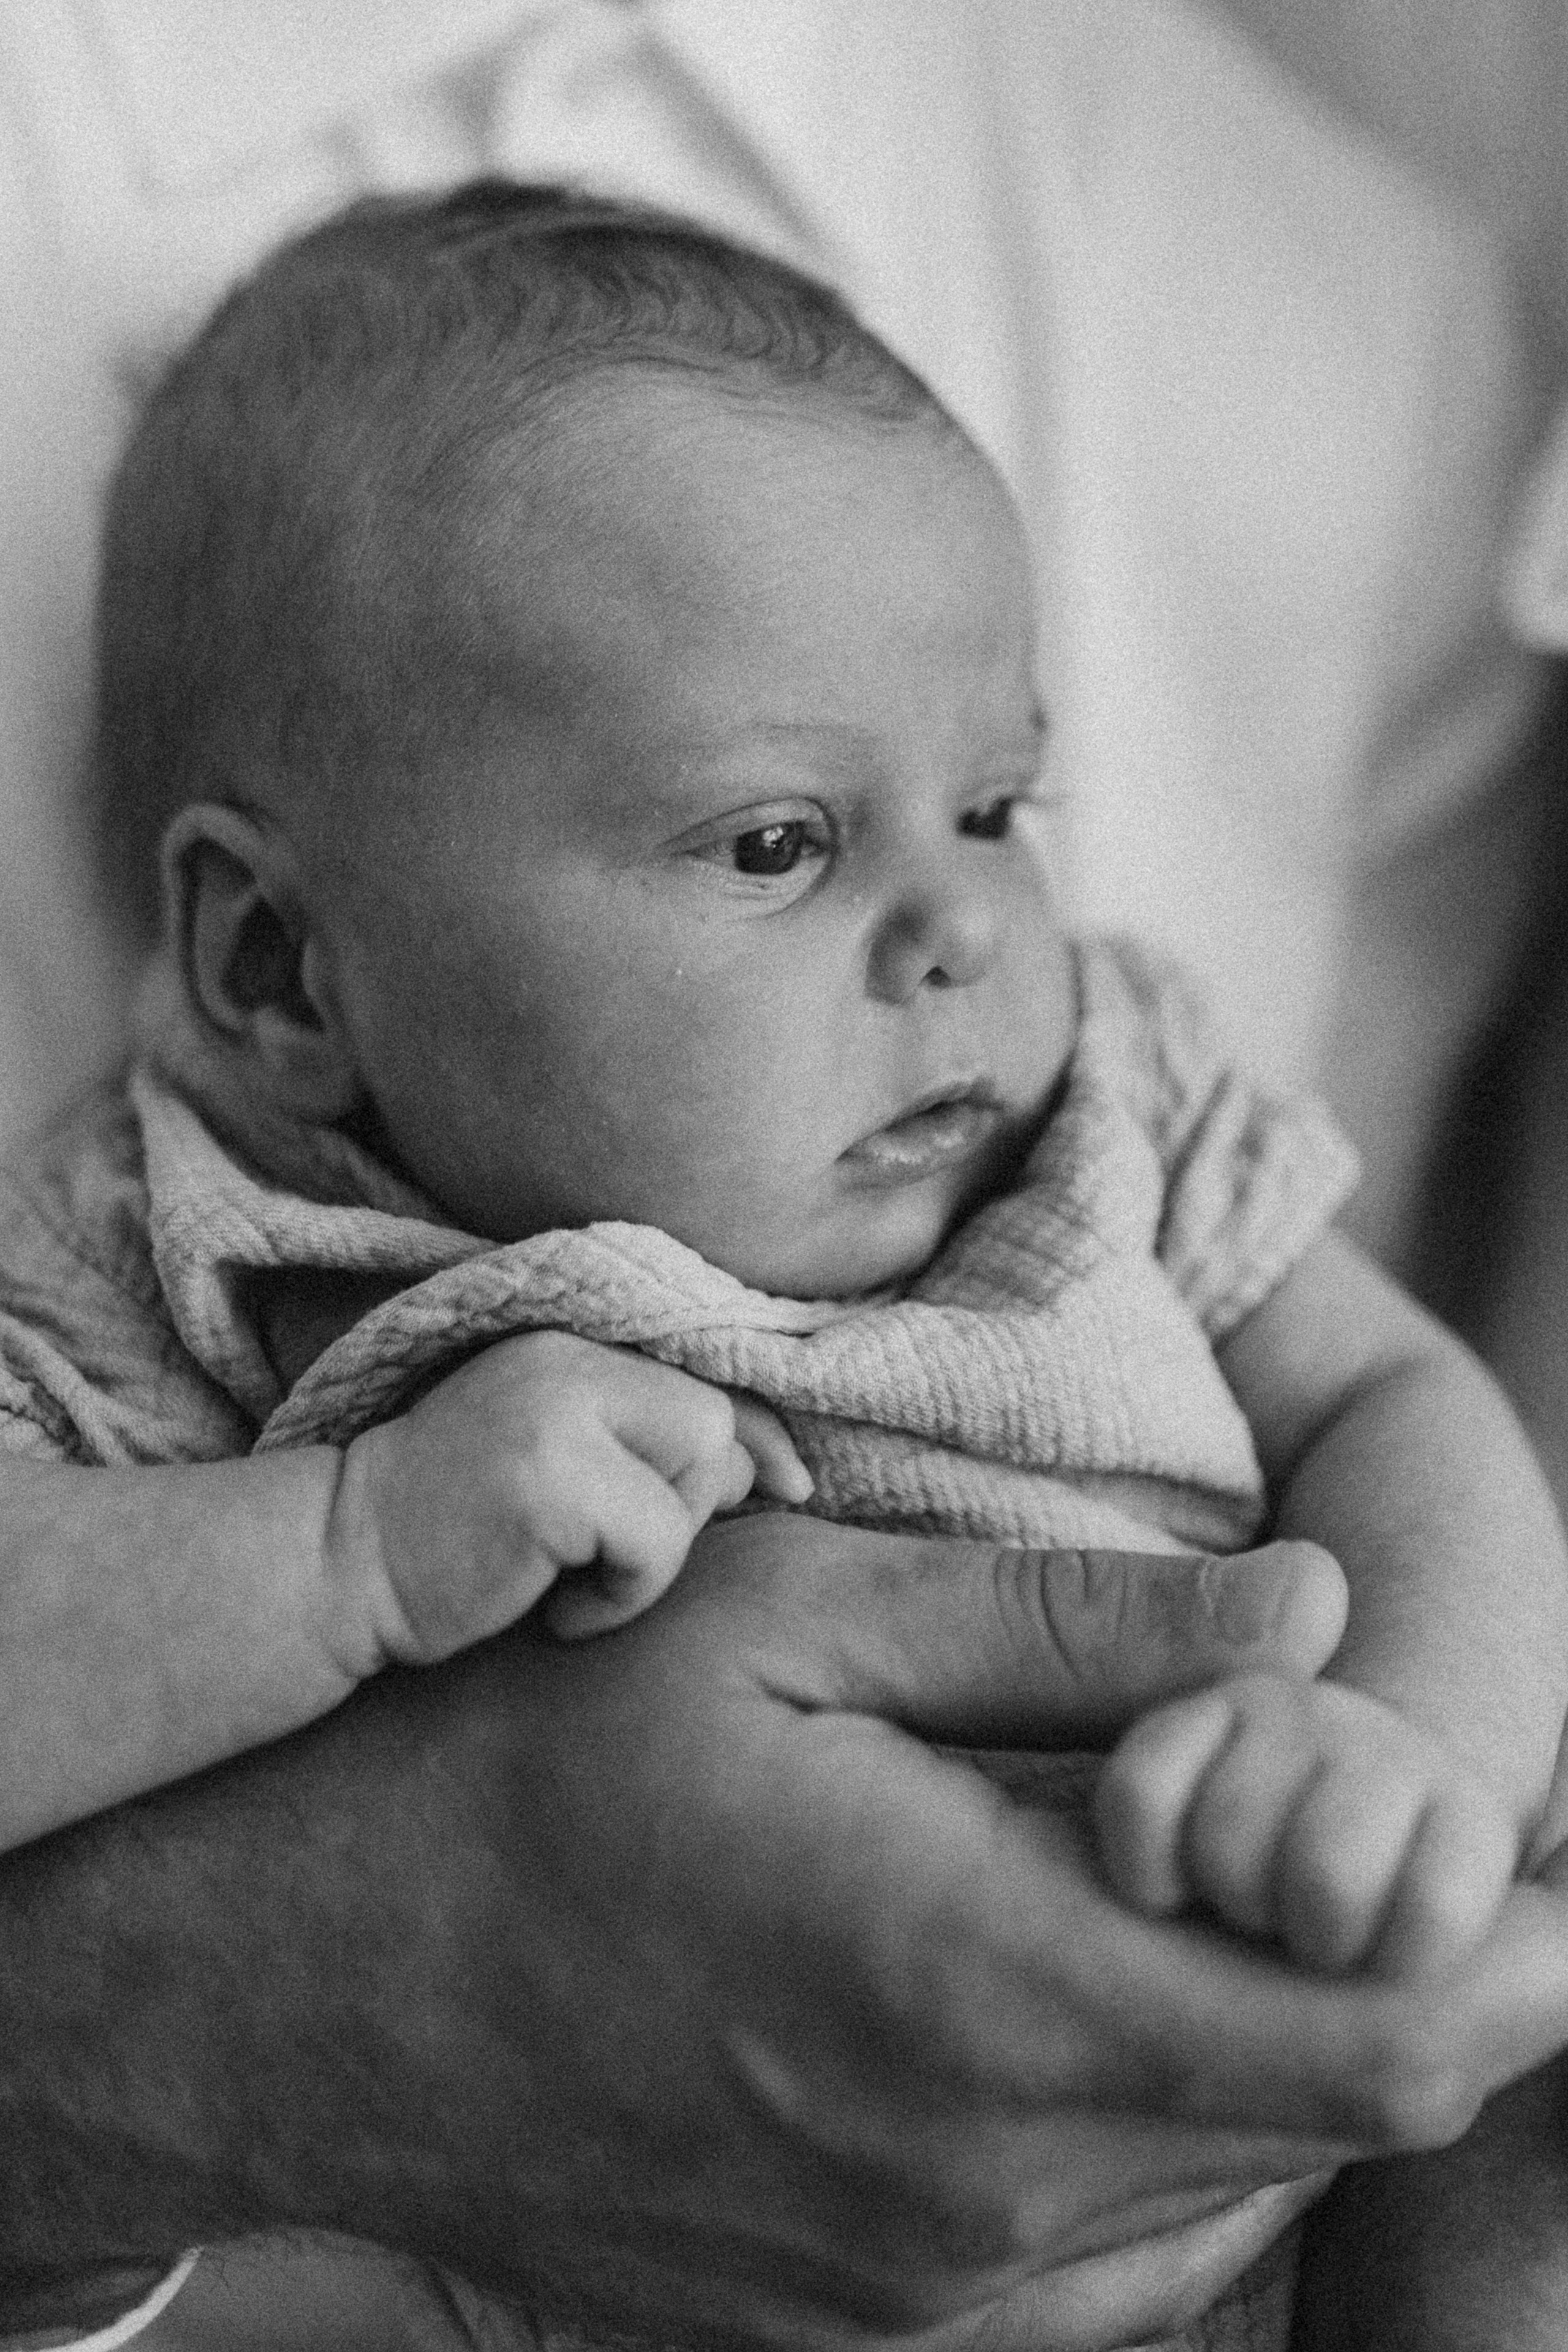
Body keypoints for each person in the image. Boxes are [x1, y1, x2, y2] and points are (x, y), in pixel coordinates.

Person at [2, 184, 1566, 2347]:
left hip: (1272, 2143)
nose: (961, 928)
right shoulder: (200, 1240)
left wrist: (1411, 1760)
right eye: (778, 843)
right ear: (281, 969)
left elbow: (1403, 1412)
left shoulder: (1100, 1100)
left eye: (1001, 804)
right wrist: (338, 1549)